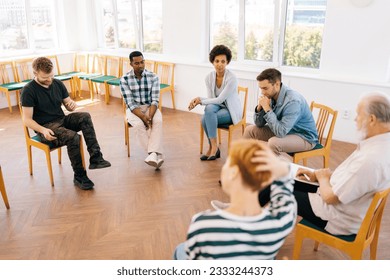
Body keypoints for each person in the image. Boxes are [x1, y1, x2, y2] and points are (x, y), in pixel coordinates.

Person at [173, 139, 297, 260]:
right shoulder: (280, 223)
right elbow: (284, 194)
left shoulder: (202, 225)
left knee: (180, 250)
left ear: (233, 173)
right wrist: (283, 171)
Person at [293, 92, 390, 235]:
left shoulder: (370, 160)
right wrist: (317, 175)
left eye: (358, 114)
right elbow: (353, 180)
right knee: (285, 181)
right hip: (345, 207)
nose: (356, 119)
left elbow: (330, 198)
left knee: (274, 189)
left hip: (336, 218)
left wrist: (323, 177)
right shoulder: (381, 146)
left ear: (371, 119)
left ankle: (259, 243)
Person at [20, 57, 111, 190]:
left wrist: (71, 105)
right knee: (72, 136)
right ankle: (79, 176)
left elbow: (68, 105)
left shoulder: (57, 83)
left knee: (85, 117)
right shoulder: (28, 90)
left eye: (51, 76)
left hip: (61, 120)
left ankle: (96, 158)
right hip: (45, 128)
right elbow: (26, 120)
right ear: (35, 74)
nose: (49, 80)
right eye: (45, 77)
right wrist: (42, 130)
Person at [243, 68, 318, 156]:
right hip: (284, 129)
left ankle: (272, 169)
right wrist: (260, 108)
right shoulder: (270, 95)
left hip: (304, 137)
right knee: (249, 130)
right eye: (261, 88)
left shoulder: (293, 101)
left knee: (273, 143)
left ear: (277, 84)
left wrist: (267, 109)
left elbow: (280, 132)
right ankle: (244, 162)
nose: (262, 92)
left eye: (265, 88)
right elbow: (259, 124)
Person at [188, 45, 241, 161]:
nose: (220, 64)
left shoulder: (232, 78)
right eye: (217, 61)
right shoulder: (209, 77)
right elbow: (212, 99)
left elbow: (220, 100)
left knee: (205, 119)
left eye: (223, 61)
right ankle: (213, 147)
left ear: (227, 62)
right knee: (209, 110)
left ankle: (213, 148)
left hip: (231, 111)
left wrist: (200, 101)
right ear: (212, 61)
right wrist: (199, 99)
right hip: (218, 107)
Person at [120, 51, 164, 169]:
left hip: (151, 107)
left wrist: (149, 116)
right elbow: (130, 103)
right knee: (139, 125)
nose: (140, 65)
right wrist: (144, 118)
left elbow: (155, 100)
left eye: (142, 62)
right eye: (137, 63)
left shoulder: (153, 77)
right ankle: (154, 154)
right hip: (134, 109)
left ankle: (152, 155)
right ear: (131, 64)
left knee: (158, 121)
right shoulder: (124, 79)